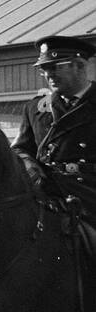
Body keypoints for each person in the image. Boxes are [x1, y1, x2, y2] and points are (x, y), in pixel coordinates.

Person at [13, 35, 96, 211]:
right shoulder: (36, 108)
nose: (49, 75)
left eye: (55, 67)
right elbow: (20, 148)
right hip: (47, 191)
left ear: (80, 66)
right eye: (44, 69)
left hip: (89, 194)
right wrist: (30, 165)